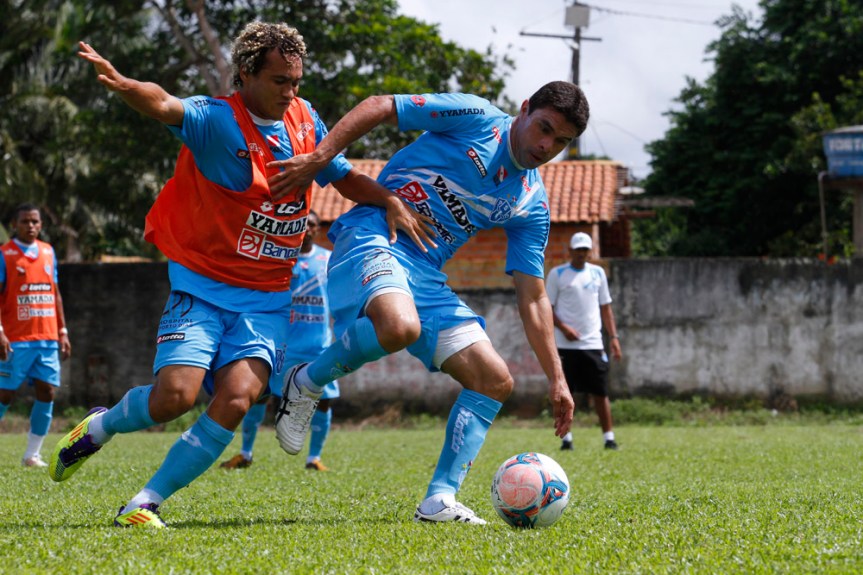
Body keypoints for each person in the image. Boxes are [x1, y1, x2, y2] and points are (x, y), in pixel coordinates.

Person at [48, 22, 429, 528]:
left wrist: (388, 199)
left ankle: (145, 502)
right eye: (279, 81)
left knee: (237, 398)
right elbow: (163, 103)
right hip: (201, 286)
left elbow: (342, 175)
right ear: (247, 74)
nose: (290, 92)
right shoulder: (216, 120)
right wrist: (124, 85)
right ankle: (104, 424)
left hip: (267, 295)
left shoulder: (305, 119)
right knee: (174, 398)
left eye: (296, 81)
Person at [269, 81, 587, 524]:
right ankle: (306, 380)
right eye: (544, 128)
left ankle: (439, 500)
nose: (546, 145)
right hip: (374, 234)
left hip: (425, 275)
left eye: (561, 141)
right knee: (400, 327)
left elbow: (533, 296)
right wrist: (322, 156)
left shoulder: (530, 202)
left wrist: (558, 379)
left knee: (494, 380)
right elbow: (381, 106)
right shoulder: (475, 117)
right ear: (525, 109)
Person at [219, 210, 339, 472]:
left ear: (318, 230)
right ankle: (245, 453)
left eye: (313, 224)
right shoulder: (281, 260)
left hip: (318, 346)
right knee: (259, 396)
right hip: (281, 346)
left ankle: (314, 458)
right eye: (303, 223)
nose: (307, 228)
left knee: (324, 399)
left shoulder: (328, 260)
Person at [0, 204, 72, 468]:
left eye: (35, 222)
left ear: (41, 225)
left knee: (48, 391)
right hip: (16, 339)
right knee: (5, 394)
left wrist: (63, 331)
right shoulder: (4, 254)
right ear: (14, 225)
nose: (30, 226)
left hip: (47, 337)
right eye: (25, 222)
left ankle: (32, 454)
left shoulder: (48, 252)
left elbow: (54, 293)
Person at [546, 232, 622, 451]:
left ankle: (609, 437)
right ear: (570, 251)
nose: (581, 254)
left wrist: (614, 337)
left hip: (593, 344)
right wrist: (563, 328)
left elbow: (606, 308)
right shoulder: (557, 274)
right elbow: (547, 309)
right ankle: (566, 439)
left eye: (585, 250)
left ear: (590, 252)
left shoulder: (598, 273)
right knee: (564, 393)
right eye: (577, 250)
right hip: (565, 345)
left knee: (600, 392)